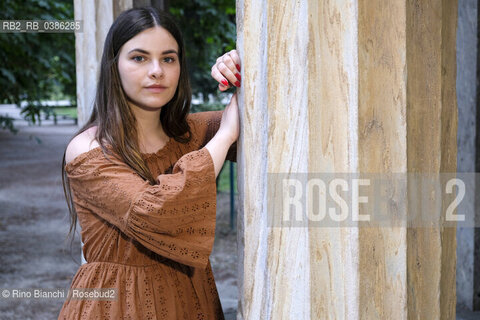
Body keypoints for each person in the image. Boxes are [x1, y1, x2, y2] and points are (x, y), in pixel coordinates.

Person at [58, 6, 241, 320]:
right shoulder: (89, 149)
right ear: (114, 67)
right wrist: (224, 137)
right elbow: (157, 211)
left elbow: (270, 116)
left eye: (168, 58)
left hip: (190, 303)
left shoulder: (191, 134)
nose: (157, 71)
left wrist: (239, 66)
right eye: (139, 58)